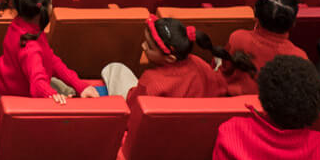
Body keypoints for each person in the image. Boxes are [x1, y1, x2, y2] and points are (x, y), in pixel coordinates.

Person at [0, 0, 90, 102]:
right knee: (67, 96)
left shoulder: (21, 23)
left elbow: (50, 59)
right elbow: (37, 82)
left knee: (66, 87)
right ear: (43, 10)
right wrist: (51, 95)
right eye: (51, 2)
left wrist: (78, 84)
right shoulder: (31, 46)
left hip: (4, 77)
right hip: (15, 94)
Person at [102, 15, 237, 98]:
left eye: (149, 46)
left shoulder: (151, 81)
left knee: (115, 68)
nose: (143, 46)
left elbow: (132, 106)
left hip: (156, 128)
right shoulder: (199, 63)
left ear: (170, 58)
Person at [225, 0, 308, 93]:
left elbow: (223, 71)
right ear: (293, 23)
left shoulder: (238, 38)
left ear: (256, 14)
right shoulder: (300, 57)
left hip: (236, 101)